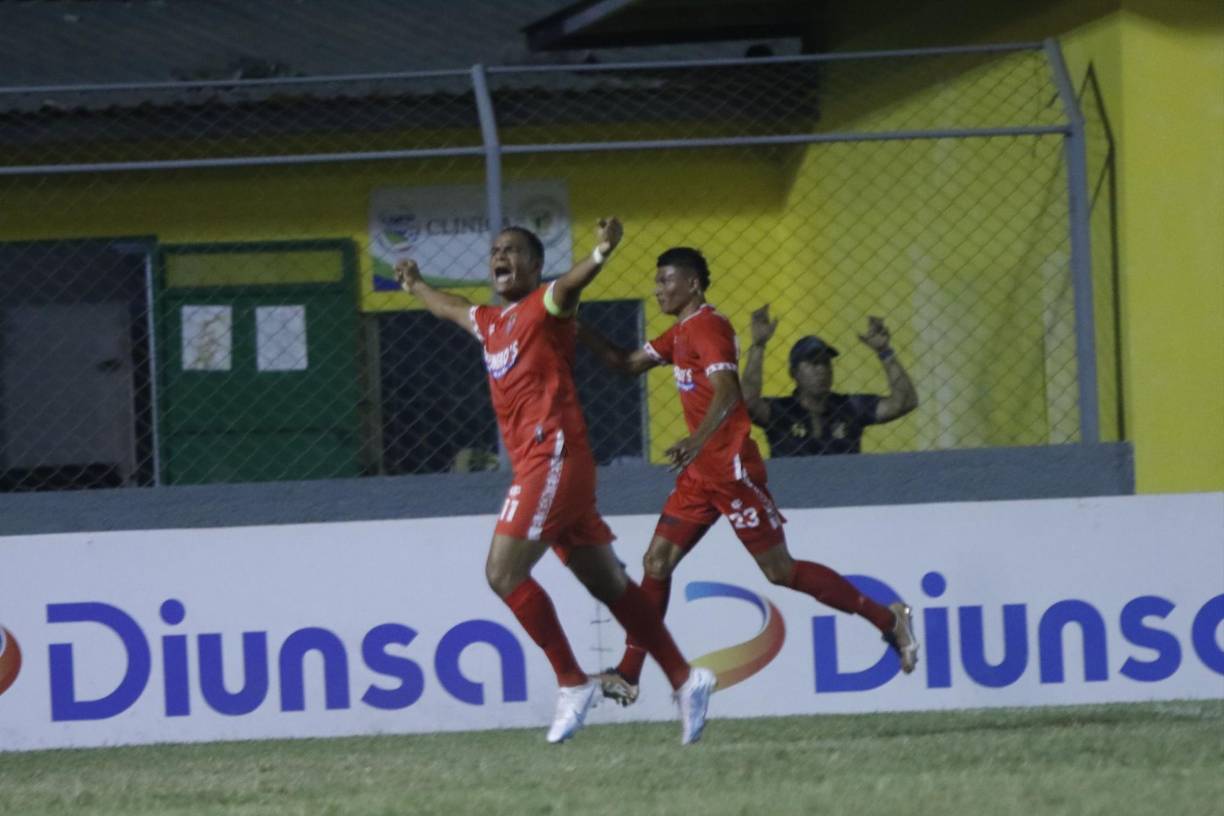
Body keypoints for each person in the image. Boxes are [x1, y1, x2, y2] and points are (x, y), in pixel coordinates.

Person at [394, 220, 715, 745]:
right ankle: (685, 678)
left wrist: (600, 253)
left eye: (513, 251)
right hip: (550, 466)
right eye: (496, 251)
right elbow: (450, 307)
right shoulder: (491, 322)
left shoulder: (545, 306)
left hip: (554, 457)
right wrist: (416, 285)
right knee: (609, 586)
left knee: (502, 572)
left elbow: (569, 286)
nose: (501, 256)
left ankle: (571, 681)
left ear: (535, 265)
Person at [577, 247, 918, 707]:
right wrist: (577, 327)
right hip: (700, 476)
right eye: (657, 281)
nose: (657, 289)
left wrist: (696, 439)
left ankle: (888, 620)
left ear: (692, 284)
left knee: (780, 571)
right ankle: (628, 673)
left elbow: (727, 391)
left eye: (666, 280)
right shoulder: (679, 333)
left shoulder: (709, 327)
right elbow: (626, 363)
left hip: (731, 470)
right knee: (656, 563)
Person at [742, 306, 918, 456]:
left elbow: (905, 402)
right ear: (793, 373)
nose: (822, 370)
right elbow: (747, 402)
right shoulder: (781, 411)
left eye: (826, 363)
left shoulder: (849, 407)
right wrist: (758, 346)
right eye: (813, 363)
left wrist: (885, 352)